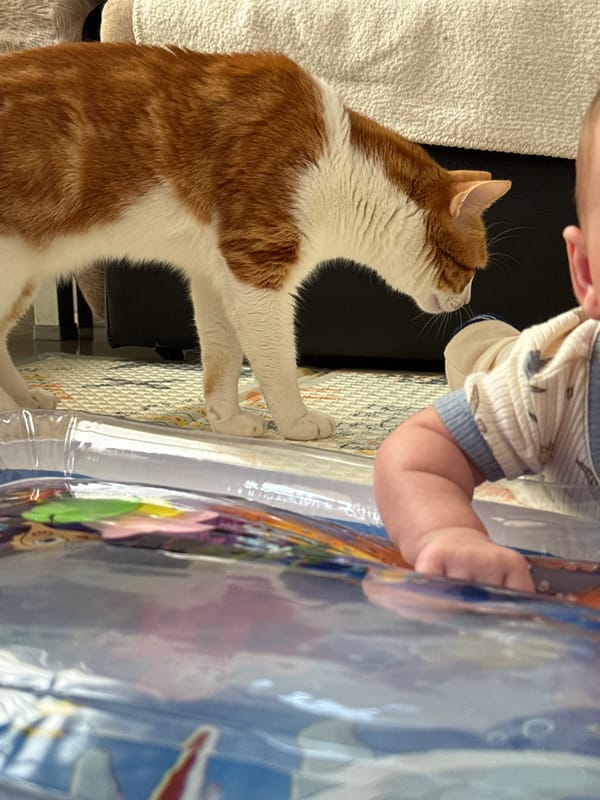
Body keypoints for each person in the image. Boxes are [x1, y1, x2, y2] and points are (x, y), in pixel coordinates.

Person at [374, 87, 600, 593]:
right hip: (522, 364)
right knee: (487, 358)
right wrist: (447, 533)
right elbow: (418, 455)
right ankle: (480, 332)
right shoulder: (553, 382)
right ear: (588, 273)